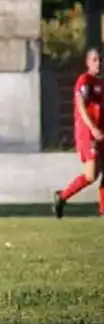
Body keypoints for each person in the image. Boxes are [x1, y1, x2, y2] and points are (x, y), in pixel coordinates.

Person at [54, 48, 104, 218]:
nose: (99, 63)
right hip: (88, 134)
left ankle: (103, 210)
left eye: (101, 59)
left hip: (100, 132)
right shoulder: (84, 80)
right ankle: (61, 197)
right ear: (88, 62)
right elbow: (81, 106)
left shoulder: (101, 83)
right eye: (95, 60)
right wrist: (93, 128)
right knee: (91, 176)